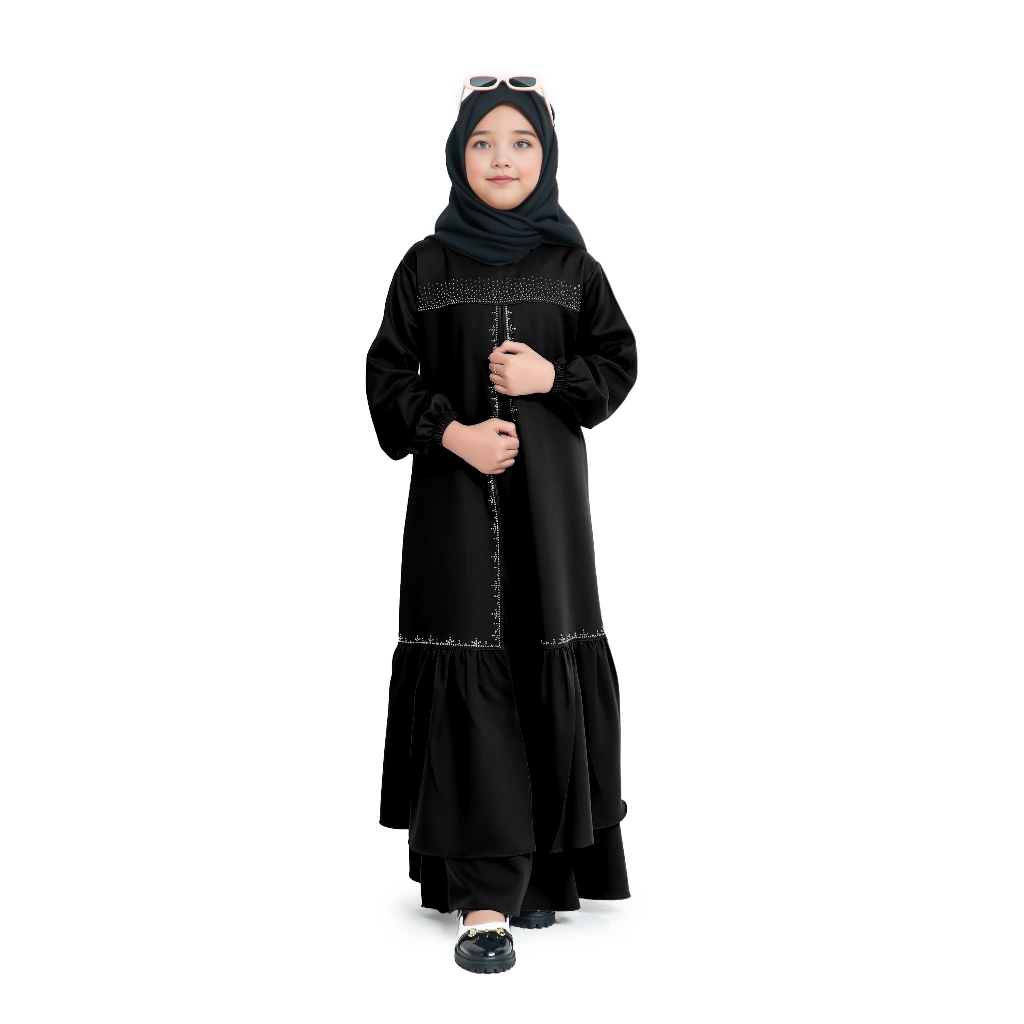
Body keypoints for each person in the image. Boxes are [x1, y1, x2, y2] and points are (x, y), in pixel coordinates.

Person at [365, 76, 638, 974]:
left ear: (546, 156)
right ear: (458, 155)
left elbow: (617, 362)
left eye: (521, 142)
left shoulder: (573, 270)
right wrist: (454, 434)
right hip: (453, 512)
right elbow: (386, 379)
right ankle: (484, 897)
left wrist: (550, 380)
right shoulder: (426, 268)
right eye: (483, 142)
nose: (502, 159)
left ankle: (544, 874)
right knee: (471, 658)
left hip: (550, 517)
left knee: (542, 650)